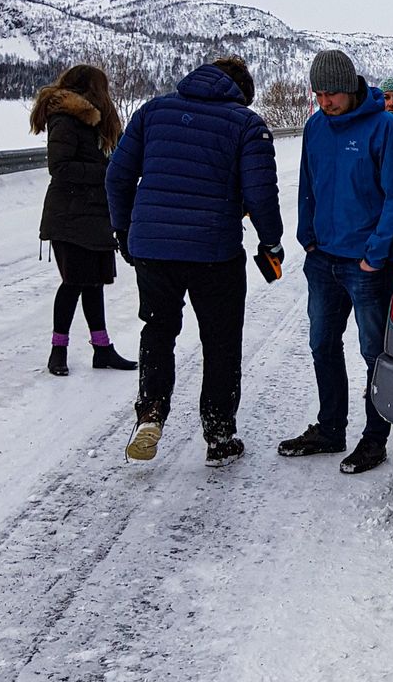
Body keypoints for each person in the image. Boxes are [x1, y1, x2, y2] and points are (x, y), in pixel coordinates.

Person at [106, 56, 283, 467]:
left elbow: (117, 176)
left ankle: (151, 412)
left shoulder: (153, 111)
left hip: (153, 248)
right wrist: (271, 244)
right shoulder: (246, 123)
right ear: (241, 91)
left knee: (159, 328)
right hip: (214, 254)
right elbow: (260, 195)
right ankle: (219, 435)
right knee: (220, 341)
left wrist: (124, 230)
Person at [278, 50, 393, 474]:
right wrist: (307, 235)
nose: (324, 102)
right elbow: (309, 184)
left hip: (366, 267)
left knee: (373, 351)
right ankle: (330, 428)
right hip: (323, 261)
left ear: (351, 87)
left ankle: (375, 438)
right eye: (317, 93)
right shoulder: (316, 126)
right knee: (322, 344)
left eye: (331, 93)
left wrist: (376, 255)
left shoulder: (385, 128)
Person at [29, 64, 136, 376]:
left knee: (93, 283)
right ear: (91, 89)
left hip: (92, 213)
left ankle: (102, 348)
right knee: (74, 282)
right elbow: (60, 168)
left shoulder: (93, 122)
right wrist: (107, 173)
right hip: (70, 214)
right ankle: (57, 350)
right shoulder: (65, 118)